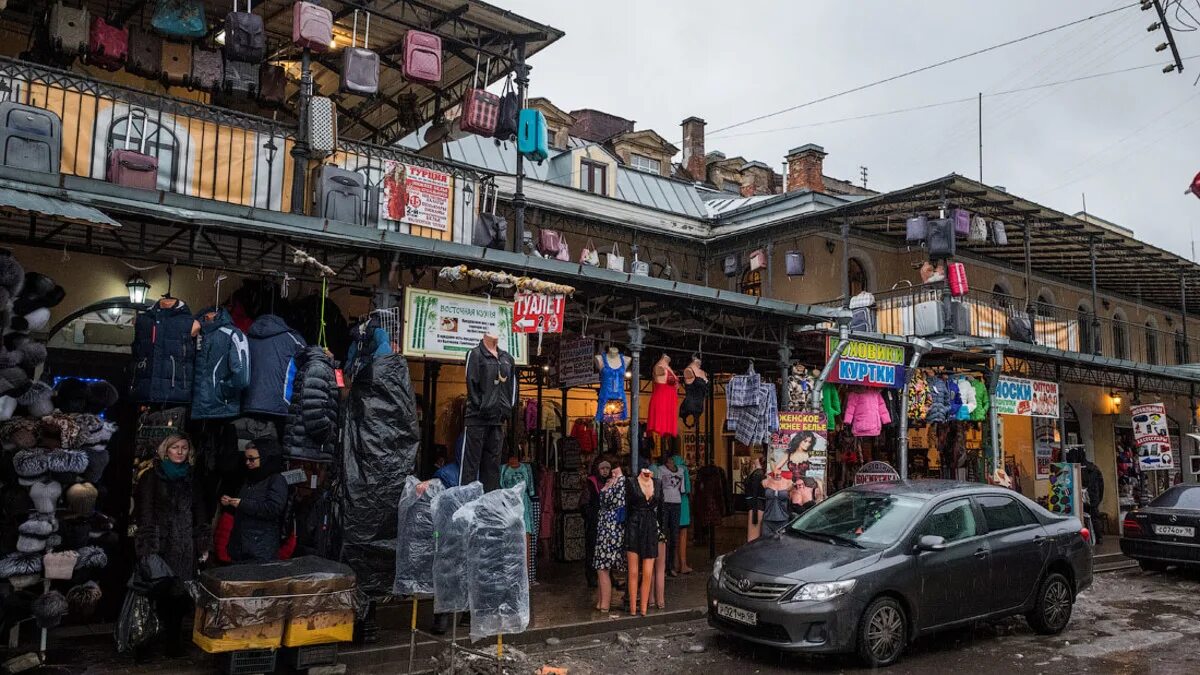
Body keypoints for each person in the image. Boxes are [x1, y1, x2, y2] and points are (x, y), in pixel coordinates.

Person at [133, 434, 210, 658]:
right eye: (175, 447)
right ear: (165, 450)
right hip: (160, 545)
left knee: (179, 596)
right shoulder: (151, 477)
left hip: (185, 545)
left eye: (184, 448)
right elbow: (144, 511)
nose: (179, 451)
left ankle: (173, 643)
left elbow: (200, 512)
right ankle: (145, 642)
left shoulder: (192, 478)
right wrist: (148, 547)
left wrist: (202, 542)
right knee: (154, 593)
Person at [222, 437, 288, 563]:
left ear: (265, 457)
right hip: (241, 547)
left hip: (260, 550)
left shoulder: (276, 480)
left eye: (252, 459)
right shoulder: (250, 479)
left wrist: (242, 504)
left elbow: (273, 508)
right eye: (246, 459)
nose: (248, 462)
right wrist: (231, 502)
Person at [625, 462, 662, 617]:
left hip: (651, 526)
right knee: (633, 571)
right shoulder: (631, 482)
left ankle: (644, 608)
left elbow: (662, 508)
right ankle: (634, 607)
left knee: (648, 571)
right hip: (634, 525)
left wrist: (662, 531)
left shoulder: (658, 484)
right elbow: (627, 506)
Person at [593, 464, 625, 612]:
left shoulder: (621, 481)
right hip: (605, 527)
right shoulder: (612, 481)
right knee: (600, 566)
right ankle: (601, 602)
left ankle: (605, 603)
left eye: (608, 466)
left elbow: (620, 506)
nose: (606, 471)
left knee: (603, 567)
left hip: (611, 528)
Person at [582, 457, 611, 589]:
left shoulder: (611, 482)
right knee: (592, 550)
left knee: (607, 550)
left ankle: (608, 577)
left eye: (607, 468)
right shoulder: (591, 482)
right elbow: (584, 504)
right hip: (594, 522)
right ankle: (592, 576)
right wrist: (592, 516)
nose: (605, 471)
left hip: (608, 523)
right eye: (602, 468)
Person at [657, 455, 683, 578]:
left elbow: (682, 489)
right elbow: (657, 487)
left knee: (674, 535)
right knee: (663, 534)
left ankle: (671, 565)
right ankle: (663, 565)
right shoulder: (660, 470)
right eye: (668, 461)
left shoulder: (681, 470)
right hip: (665, 503)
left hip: (676, 503)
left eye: (672, 461)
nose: (670, 463)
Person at [670, 451, 694, 575]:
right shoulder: (684, 469)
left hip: (671, 504)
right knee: (683, 535)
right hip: (683, 504)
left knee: (672, 536)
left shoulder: (668, 468)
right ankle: (683, 564)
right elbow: (688, 489)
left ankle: (674, 564)